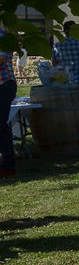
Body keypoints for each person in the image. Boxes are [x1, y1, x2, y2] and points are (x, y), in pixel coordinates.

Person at [0, 24, 17, 178]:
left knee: (1, 124)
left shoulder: (3, 34)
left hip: (4, 84)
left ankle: (7, 166)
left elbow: (3, 58)